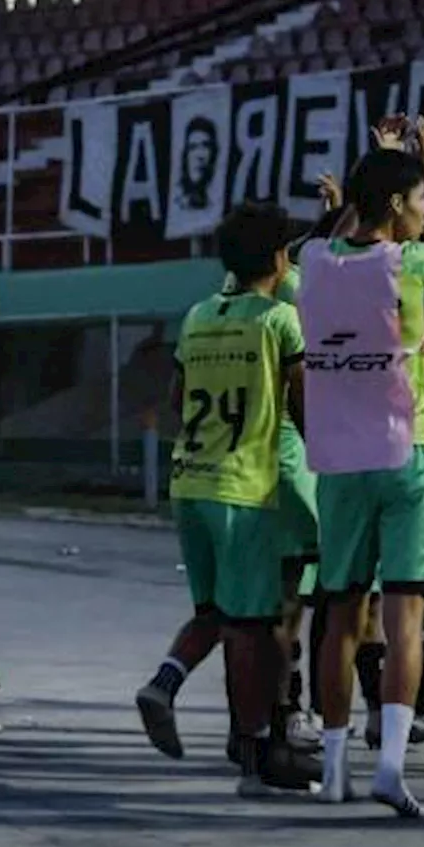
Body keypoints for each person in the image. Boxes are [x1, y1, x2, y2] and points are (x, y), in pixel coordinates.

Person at [298, 116, 424, 818]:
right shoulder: (413, 264)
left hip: (339, 461)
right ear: (402, 206)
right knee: (404, 616)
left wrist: (378, 172)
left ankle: (336, 766)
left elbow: (343, 228)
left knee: (341, 617)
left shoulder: (314, 261)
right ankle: (393, 765)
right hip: (408, 451)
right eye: (420, 203)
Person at [135, 204, 320, 795]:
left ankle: (165, 682)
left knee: (217, 612)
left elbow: (177, 394)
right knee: (250, 626)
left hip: (190, 479)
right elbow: (303, 406)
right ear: (277, 259)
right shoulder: (281, 321)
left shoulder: (196, 317)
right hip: (244, 488)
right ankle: (254, 757)